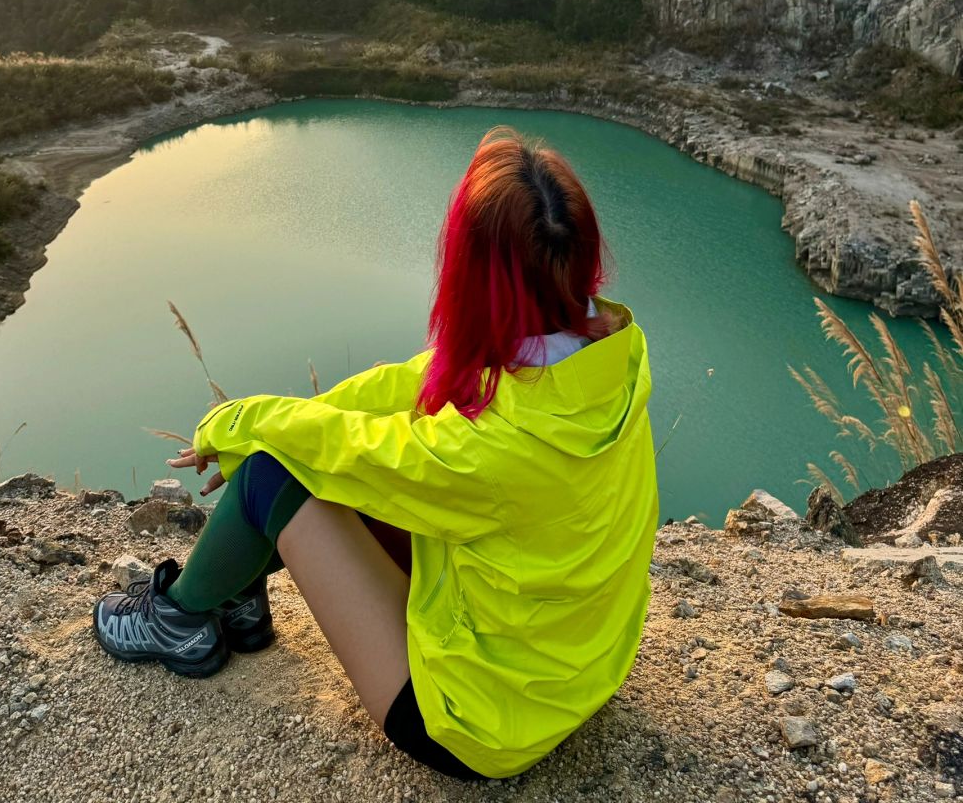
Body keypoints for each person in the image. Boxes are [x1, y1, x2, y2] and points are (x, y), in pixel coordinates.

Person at [92, 125, 657, 780]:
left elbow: (359, 448)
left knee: (274, 468)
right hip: (581, 667)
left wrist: (243, 424)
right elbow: (409, 385)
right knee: (306, 444)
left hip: (480, 726)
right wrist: (271, 421)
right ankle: (238, 600)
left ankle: (179, 617)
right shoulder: (607, 357)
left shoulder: (489, 448)